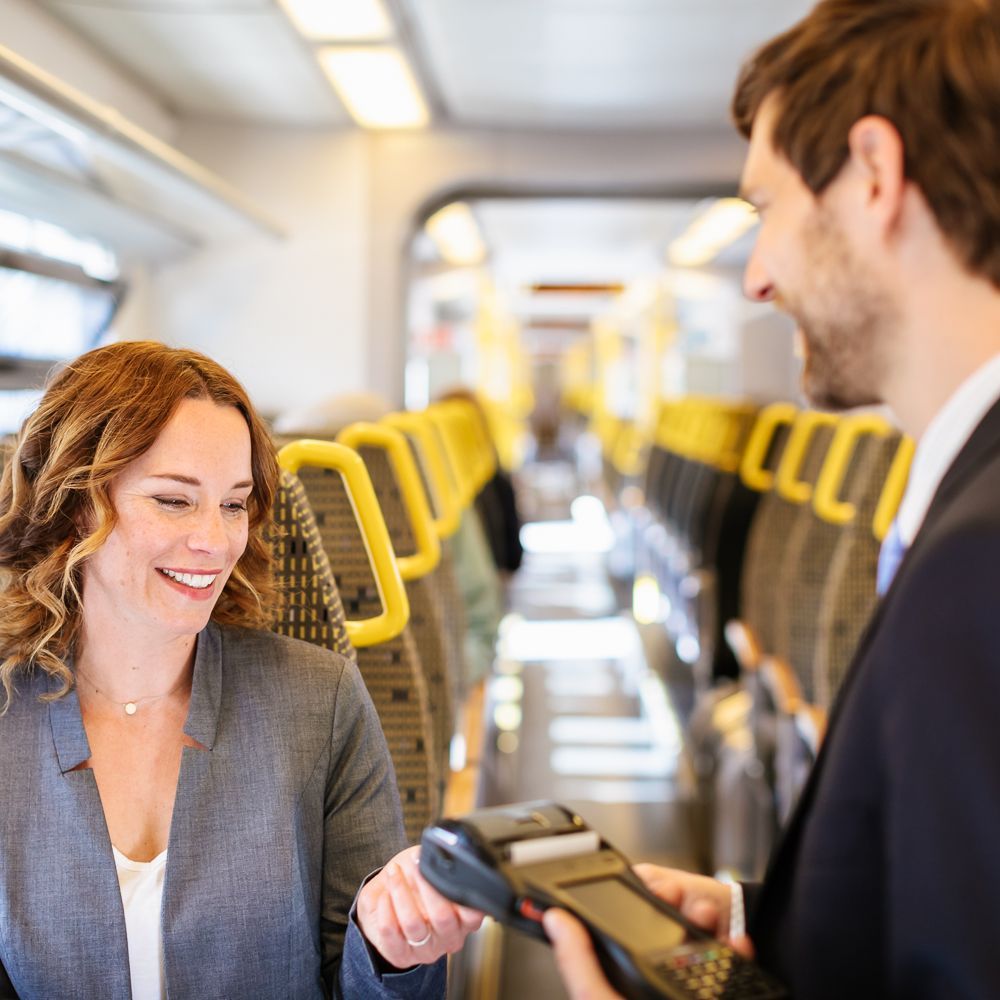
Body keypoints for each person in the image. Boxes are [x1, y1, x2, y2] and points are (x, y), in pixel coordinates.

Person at [544, 0, 1000, 996]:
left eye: (765, 211)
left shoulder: (980, 560)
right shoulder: (963, 505)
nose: (754, 278)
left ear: (875, 175)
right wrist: (765, 919)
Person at [0, 341, 481, 999]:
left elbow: (373, 985)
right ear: (77, 501)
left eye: (233, 504)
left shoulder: (319, 701)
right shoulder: (7, 715)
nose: (216, 540)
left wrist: (394, 951)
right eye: (175, 501)